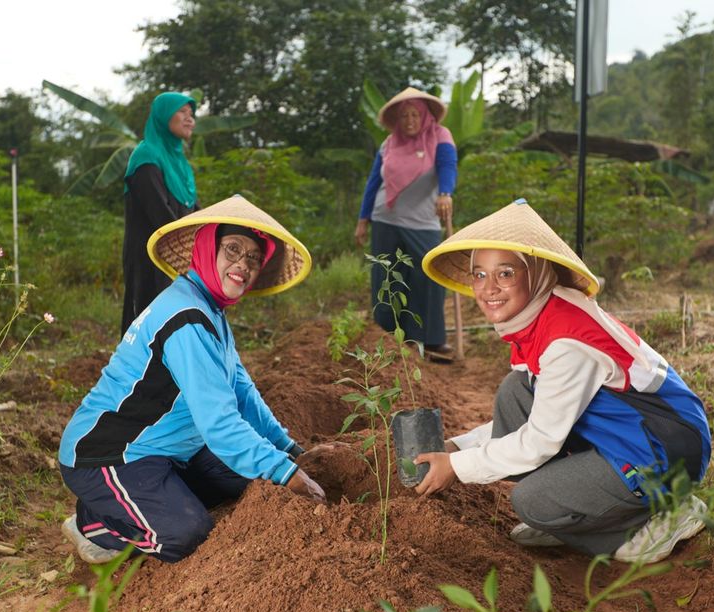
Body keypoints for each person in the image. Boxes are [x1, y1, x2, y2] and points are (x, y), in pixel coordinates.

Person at [414, 199, 712, 564]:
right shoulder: (540, 313)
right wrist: (457, 448)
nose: (488, 288)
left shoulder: (566, 341)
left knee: (531, 503)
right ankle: (570, 516)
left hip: (663, 446)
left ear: (536, 272)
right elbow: (539, 411)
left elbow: (538, 441)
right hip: (623, 432)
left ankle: (655, 521)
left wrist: (457, 468)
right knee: (516, 391)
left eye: (505, 273)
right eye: (479, 274)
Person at [59, 195, 323, 565]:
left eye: (252, 258)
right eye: (232, 249)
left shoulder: (209, 311)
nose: (242, 264)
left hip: (168, 449)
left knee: (253, 480)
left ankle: (149, 500)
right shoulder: (186, 318)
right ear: (206, 247)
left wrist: (290, 451)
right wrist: (289, 474)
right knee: (186, 534)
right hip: (108, 455)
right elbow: (219, 424)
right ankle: (93, 522)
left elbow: (243, 394)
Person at [355, 87, 458, 362]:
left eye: (415, 114)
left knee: (428, 277)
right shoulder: (388, 144)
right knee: (387, 277)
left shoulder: (440, 136)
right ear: (397, 120)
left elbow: (448, 167)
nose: (410, 120)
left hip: (423, 221)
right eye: (404, 116)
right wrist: (363, 219)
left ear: (424, 116)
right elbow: (373, 183)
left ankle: (431, 340)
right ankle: (387, 338)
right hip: (385, 219)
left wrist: (446, 194)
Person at [121, 91, 200, 335]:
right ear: (164, 116)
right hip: (152, 257)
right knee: (150, 322)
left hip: (179, 255)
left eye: (192, 114)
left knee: (179, 323)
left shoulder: (180, 163)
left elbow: (194, 212)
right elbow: (161, 216)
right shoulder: (147, 157)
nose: (190, 119)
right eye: (182, 112)